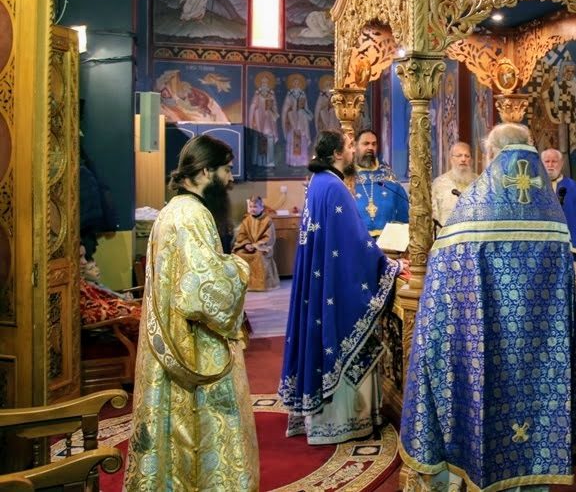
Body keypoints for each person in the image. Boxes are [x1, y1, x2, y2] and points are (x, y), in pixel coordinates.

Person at [401, 123, 575, 490]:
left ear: (492, 155)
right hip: (539, 350)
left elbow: (443, 282)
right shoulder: (553, 214)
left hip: (485, 347)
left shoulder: (473, 211)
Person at [123, 135, 257, 491]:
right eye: (227, 170)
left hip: (173, 340)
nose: (231, 178)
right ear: (205, 171)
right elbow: (204, 290)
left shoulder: (173, 210)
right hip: (193, 346)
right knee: (200, 427)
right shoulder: (191, 215)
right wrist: (239, 269)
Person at [279, 131, 404, 445]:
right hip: (334, 285)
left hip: (321, 278)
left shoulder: (319, 183)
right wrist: (390, 266)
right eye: (349, 146)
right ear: (337, 153)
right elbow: (355, 244)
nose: (352, 152)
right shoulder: (335, 187)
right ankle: (342, 423)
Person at [352, 129, 409, 236]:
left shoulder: (388, 176)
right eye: (366, 144)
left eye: (374, 144)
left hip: (387, 241)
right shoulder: (347, 177)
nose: (370, 147)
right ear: (355, 146)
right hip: (356, 240)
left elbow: (403, 212)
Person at [541, 147, 576, 264]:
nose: (550, 165)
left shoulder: (571, 186)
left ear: (561, 164)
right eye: (547, 161)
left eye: (554, 161)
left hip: (566, 246)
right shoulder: (536, 186)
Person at [232, 195, 279, 291]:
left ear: (261, 207)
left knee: (259, 256)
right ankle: (244, 284)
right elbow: (241, 235)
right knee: (239, 254)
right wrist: (246, 244)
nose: (252, 209)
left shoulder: (267, 220)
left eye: (255, 206)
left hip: (261, 248)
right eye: (251, 206)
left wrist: (255, 245)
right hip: (247, 246)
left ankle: (260, 285)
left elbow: (268, 238)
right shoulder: (246, 220)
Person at [431, 141, 477, 227]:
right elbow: (434, 215)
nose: (463, 159)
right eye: (459, 155)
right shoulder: (439, 183)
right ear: (451, 159)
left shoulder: (479, 182)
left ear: (471, 160)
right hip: (446, 232)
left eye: (467, 156)